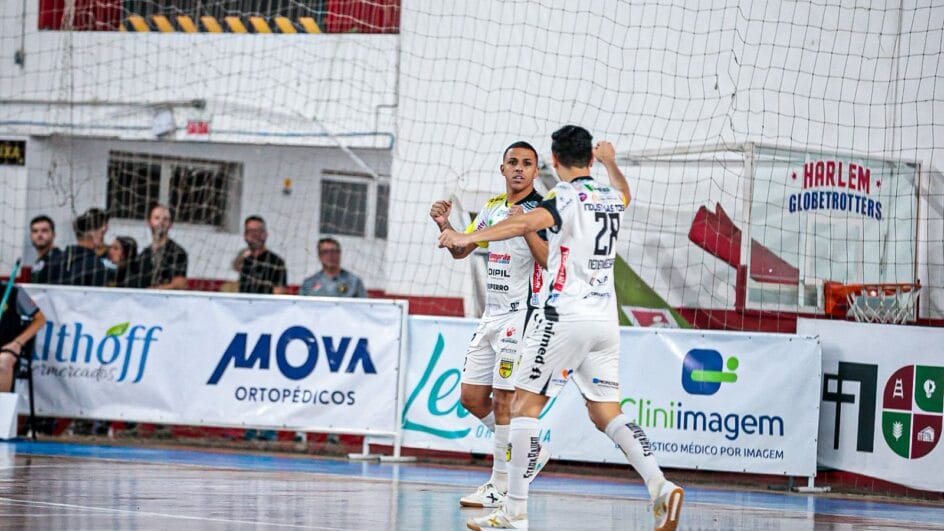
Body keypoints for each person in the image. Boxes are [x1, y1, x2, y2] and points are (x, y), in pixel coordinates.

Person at [441, 126, 684, 531]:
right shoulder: (609, 195)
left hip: (565, 316)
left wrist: (466, 234)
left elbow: (521, 225)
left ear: (553, 161)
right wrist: (611, 163)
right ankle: (659, 483)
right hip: (607, 320)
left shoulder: (563, 198)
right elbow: (626, 193)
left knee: (522, 407)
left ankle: (514, 511)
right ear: (590, 157)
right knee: (606, 411)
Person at [430, 141, 550, 509]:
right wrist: (447, 227)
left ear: (535, 171)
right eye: (513, 162)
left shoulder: (543, 211)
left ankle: (500, 483)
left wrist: (524, 226)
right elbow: (463, 250)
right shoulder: (492, 207)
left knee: (503, 400)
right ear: (502, 169)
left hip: (522, 315)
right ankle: (531, 450)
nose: (519, 169)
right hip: (491, 315)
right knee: (471, 398)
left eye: (527, 164)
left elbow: (548, 261)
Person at [126, 204, 188, 290]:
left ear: (170, 224)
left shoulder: (177, 252)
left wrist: (154, 290)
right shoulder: (144, 255)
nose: (161, 222)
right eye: (157, 218)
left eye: (165, 219)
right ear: (149, 222)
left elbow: (180, 284)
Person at [45, 209, 114, 286]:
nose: (103, 237)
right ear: (93, 233)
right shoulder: (95, 265)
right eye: (103, 233)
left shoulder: (57, 259)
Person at [0, 281, 46, 393]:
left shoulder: (15, 291)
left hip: (6, 348)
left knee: (4, 361)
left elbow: (40, 319)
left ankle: (3, 409)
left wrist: (17, 343)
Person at [233, 216, 288, 295]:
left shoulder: (276, 261)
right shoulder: (244, 258)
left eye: (257, 231)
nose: (253, 234)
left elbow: (280, 293)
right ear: (245, 235)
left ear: (265, 234)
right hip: (244, 305)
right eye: (249, 231)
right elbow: (235, 267)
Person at [299, 238, 366, 297]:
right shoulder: (309, 283)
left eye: (334, 251)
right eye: (325, 252)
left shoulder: (354, 282)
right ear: (320, 256)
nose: (330, 255)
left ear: (339, 254)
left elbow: (364, 307)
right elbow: (300, 307)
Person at [28, 215, 63, 284]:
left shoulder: (60, 259)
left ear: (54, 234)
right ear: (31, 236)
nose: (39, 234)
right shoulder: (39, 261)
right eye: (35, 231)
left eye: (44, 231)